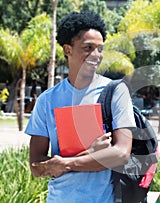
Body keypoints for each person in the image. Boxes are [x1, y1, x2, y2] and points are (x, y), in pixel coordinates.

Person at [25, 11, 136, 203]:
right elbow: (35, 167)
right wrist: (90, 153)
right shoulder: (47, 100)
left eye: (100, 49)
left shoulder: (115, 92)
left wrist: (66, 163)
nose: (96, 55)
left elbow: (121, 154)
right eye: (88, 48)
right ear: (68, 49)